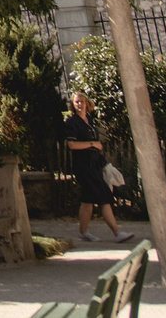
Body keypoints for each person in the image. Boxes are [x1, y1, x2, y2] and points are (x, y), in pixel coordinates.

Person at [64, 93, 133, 243]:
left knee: (87, 199)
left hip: (94, 164)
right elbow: (72, 145)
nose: (80, 104)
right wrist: (92, 144)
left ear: (87, 103)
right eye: (77, 102)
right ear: (73, 105)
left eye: (82, 101)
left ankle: (83, 233)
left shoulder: (90, 120)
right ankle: (117, 232)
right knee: (104, 196)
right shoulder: (72, 122)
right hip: (83, 166)